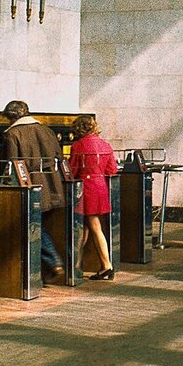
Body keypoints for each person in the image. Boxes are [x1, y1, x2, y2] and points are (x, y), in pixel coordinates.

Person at [1, 100, 66, 283]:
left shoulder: (12, 134)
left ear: (12, 116)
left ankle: (52, 260)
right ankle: (42, 273)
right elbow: (59, 157)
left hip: (29, 187)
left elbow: (11, 166)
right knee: (36, 224)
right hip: (52, 186)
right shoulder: (47, 130)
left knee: (32, 225)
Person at [69, 115, 119, 281]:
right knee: (88, 226)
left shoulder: (78, 146)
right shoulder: (105, 144)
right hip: (101, 187)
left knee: (93, 226)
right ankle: (77, 264)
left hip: (86, 188)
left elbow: (72, 172)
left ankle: (106, 266)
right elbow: (112, 170)